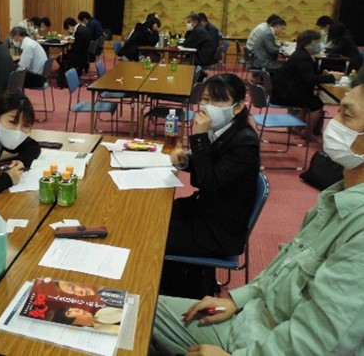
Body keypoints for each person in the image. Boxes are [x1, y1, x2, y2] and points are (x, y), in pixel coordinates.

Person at [152, 76, 364, 356]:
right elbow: (285, 270)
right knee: (135, 306)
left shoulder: (358, 228)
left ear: (238, 106)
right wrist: (238, 300)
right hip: (250, 317)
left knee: (137, 299)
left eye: (346, 116)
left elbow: (320, 341)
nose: (331, 124)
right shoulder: (335, 197)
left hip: (255, 337)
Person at [162, 74, 260, 299]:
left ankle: (172, 291)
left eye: (218, 101)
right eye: (205, 100)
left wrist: (200, 137)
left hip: (219, 231)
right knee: (156, 214)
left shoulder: (245, 141)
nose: (208, 107)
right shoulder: (223, 129)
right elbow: (210, 171)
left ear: (237, 107)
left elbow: (210, 182)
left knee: (153, 235)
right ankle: (179, 281)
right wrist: (185, 162)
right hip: (207, 210)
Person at [270, 30, 342, 136]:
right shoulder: (303, 58)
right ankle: (308, 133)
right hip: (285, 95)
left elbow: (307, 71)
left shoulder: (301, 54)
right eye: (317, 43)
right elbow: (309, 79)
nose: (319, 46)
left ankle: (297, 127)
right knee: (317, 104)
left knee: (310, 99)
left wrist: (324, 73)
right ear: (307, 44)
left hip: (283, 91)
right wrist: (332, 77)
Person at [57, 17, 91, 87]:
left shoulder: (78, 32)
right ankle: (71, 76)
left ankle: (63, 82)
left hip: (79, 56)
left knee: (61, 59)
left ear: (69, 26)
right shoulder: (84, 28)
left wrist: (72, 43)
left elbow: (76, 48)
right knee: (66, 55)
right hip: (85, 55)